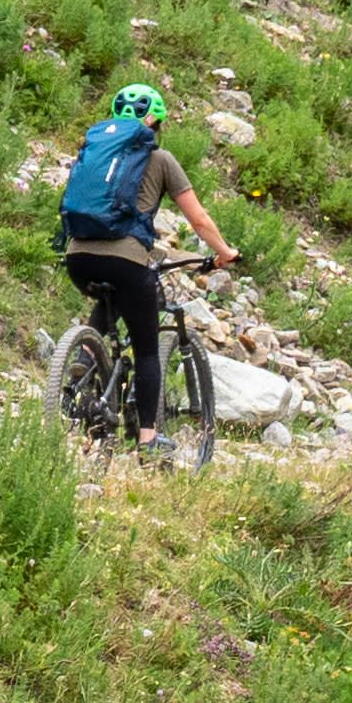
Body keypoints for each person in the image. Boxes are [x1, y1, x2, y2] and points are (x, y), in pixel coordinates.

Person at [53, 78, 231, 435]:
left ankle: (85, 358)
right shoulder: (161, 159)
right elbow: (198, 219)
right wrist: (225, 253)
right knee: (148, 349)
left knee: (110, 300)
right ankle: (149, 439)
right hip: (126, 258)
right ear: (154, 123)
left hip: (77, 256)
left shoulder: (95, 155)